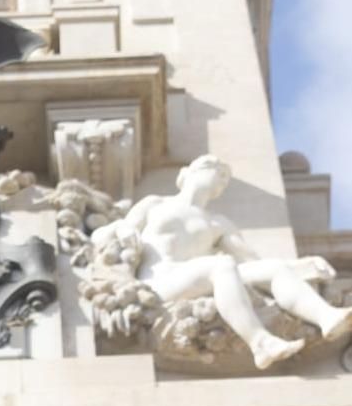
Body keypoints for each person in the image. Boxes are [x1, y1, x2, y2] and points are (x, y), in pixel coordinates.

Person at [91, 153, 352, 370]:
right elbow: (106, 235)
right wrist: (121, 231)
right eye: (211, 168)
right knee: (221, 264)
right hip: (157, 284)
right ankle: (260, 342)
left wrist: (303, 265)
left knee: (274, 269)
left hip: (197, 278)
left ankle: (326, 316)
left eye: (224, 176)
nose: (219, 177)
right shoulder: (156, 204)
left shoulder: (219, 223)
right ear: (187, 174)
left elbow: (252, 261)